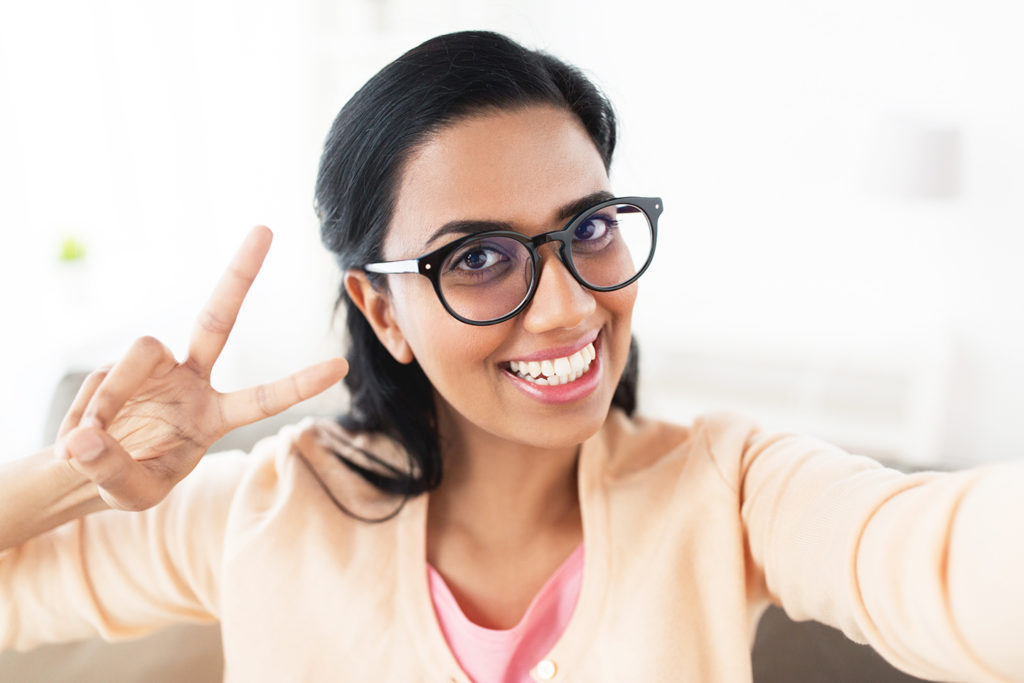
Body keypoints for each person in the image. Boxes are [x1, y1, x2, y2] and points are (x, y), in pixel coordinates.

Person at [1, 30, 1022, 683]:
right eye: (479, 257)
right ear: (382, 308)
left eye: (589, 230)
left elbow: (940, 559)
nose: (569, 304)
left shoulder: (731, 488)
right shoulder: (265, 513)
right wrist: (70, 473)